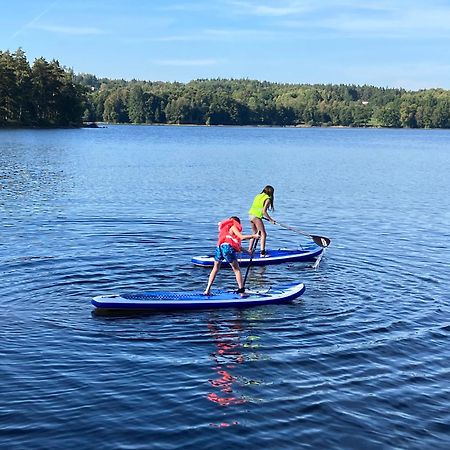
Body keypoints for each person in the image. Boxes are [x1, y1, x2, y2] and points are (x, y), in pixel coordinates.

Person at [203, 216, 259, 297]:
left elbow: (234, 244)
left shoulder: (224, 229)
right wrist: (254, 236)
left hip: (219, 247)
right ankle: (242, 292)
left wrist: (248, 252)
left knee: (215, 268)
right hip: (227, 249)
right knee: (237, 270)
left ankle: (207, 290)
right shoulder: (233, 227)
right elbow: (241, 237)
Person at [248, 185, 276, 257]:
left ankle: (249, 250)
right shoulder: (268, 199)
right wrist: (271, 220)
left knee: (255, 233)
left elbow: (257, 207)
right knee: (263, 234)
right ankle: (262, 253)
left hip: (250, 215)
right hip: (256, 217)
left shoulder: (258, 195)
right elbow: (264, 211)